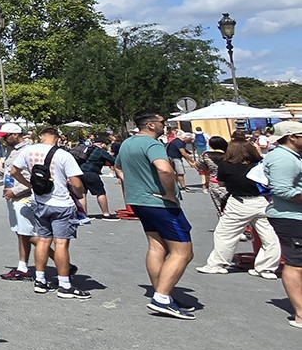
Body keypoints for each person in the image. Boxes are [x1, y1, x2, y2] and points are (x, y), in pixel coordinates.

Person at [116, 111, 197, 319]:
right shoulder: (153, 145)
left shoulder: (127, 143)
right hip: (160, 203)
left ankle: (163, 293)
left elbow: (118, 168)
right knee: (183, 252)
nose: (165, 126)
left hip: (140, 201)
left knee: (156, 246)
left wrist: (133, 186)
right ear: (151, 125)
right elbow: (165, 170)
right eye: (163, 122)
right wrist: (169, 193)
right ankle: (161, 297)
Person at [7, 125, 89, 299]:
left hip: (40, 202)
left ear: (40, 136)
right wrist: (79, 195)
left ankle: (40, 280)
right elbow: (76, 183)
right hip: (61, 204)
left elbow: (14, 171)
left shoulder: (28, 151)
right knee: (61, 244)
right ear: (57, 137)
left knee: (43, 241)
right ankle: (65, 284)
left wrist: (30, 186)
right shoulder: (63, 155)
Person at [196, 138, 280, 278]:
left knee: (225, 234)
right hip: (261, 201)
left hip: (239, 202)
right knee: (270, 237)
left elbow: (221, 183)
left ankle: (218, 264)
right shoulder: (258, 164)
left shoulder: (226, 165)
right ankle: (266, 268)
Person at [260, 120, 302, 328]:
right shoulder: (283, 159)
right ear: (291, 137)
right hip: (290, 217)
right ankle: (300, 314)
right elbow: (282, 189)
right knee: (296, 263)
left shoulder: (292, 157)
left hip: (294, 215)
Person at [0, 126, 37, 281]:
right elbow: (10, 172)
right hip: (13, 197)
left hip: (23, 198)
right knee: (21, 233)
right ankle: (22, 266)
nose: (3, 140)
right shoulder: (12, 150)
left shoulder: (27, 150)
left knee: (28, 234)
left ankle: (60, 260)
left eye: (6, 136)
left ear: (15, 134)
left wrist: (15, 190)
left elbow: (30, 179)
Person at [77, 135, 117, 219]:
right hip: (91, 173)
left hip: (79, 172)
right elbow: (114, 160)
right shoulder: (100, 151)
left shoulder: (86, 148)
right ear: (102, 144)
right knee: (100, 192)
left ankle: (84, 214)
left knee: (82, 194)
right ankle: (106, 214)